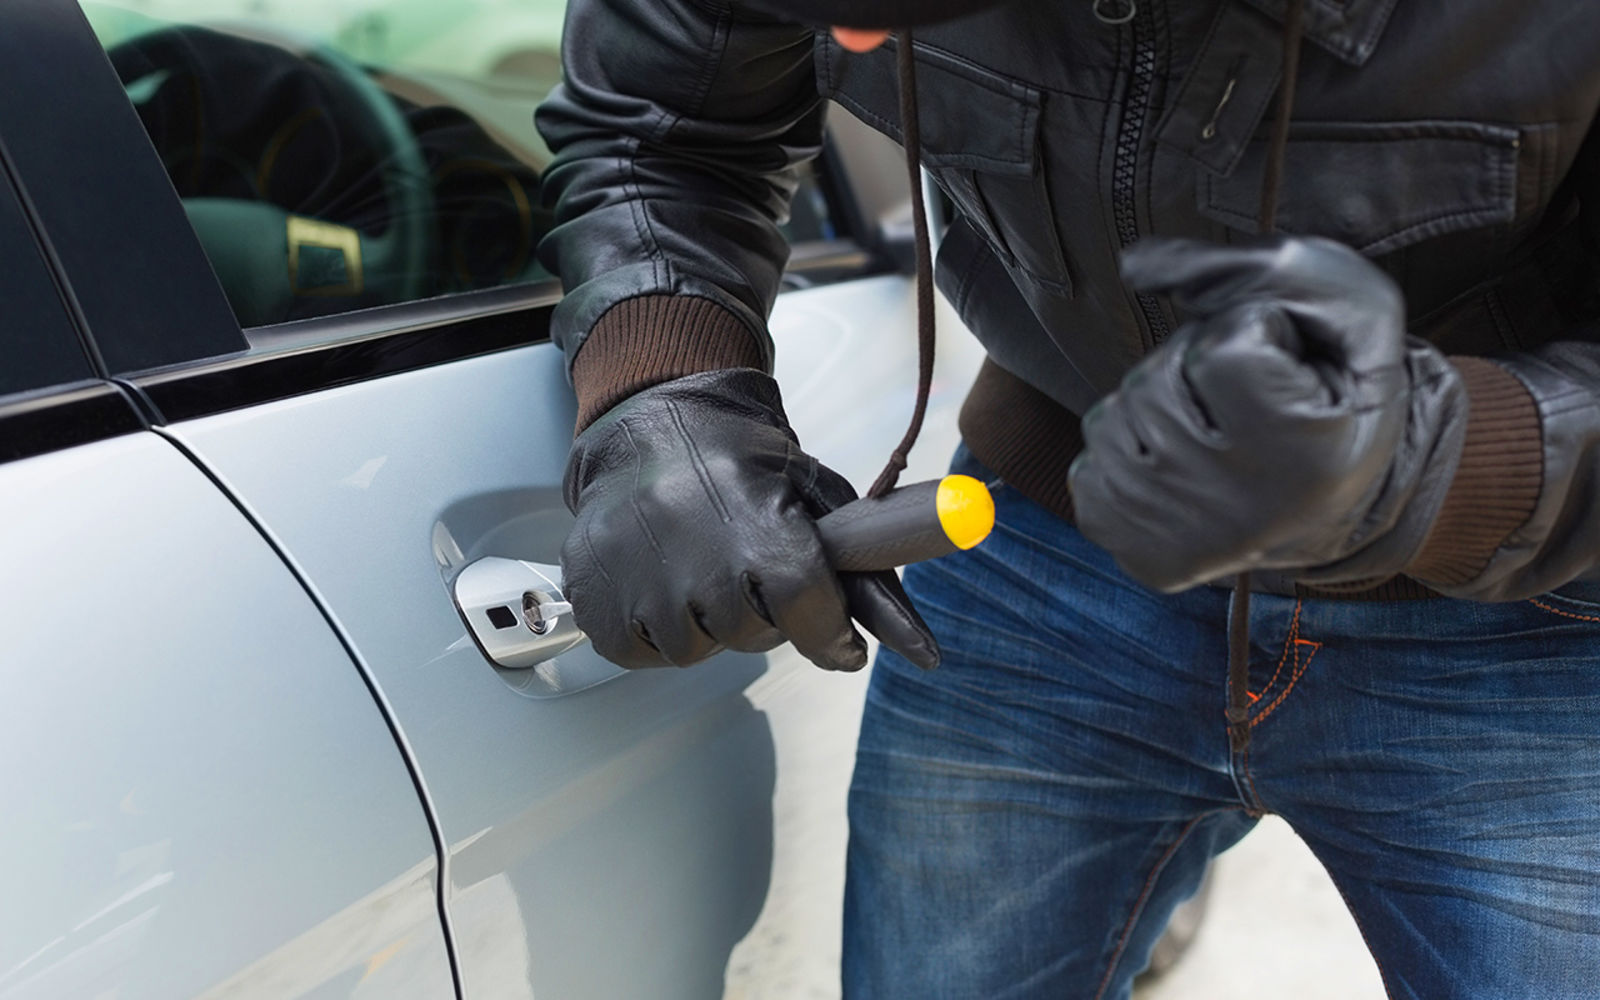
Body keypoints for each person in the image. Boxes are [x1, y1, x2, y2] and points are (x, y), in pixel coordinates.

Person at [535, 1, 1600, 996]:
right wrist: (660, 386)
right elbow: (659, 128)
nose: (849, 41)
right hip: (1041, 561)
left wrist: (1439, 462)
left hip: (1532, 624)